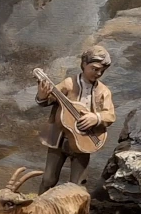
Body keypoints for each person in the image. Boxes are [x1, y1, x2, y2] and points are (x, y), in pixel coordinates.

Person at [35, 46, 116, 193]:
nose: (98, 73)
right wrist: (42, 95)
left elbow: (110, 115)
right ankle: (39, 205)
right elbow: (48, 100)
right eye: (95, 69)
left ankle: (73, 207)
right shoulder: (69, 84)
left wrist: (96, 118)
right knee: (48, 179)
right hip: (60, 139)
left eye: (102, 71)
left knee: (77, 184)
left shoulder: (103, 91)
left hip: (85, 140)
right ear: (84, 64)